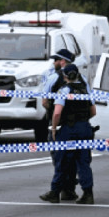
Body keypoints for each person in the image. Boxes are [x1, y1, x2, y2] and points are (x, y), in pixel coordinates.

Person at [40, 64, 96, 204]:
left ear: (65, 76)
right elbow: (93, 111)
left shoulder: (64, 90)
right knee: (83, 162)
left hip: (68, 129)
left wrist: (53, 129)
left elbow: (57, 112)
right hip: (84, 128)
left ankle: (55, 193)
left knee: (62, 161)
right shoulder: (85, 90)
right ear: (78, 75)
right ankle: (88, 194)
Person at [41, 48, 78, 200]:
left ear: (62, 62)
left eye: (56, 59)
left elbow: (44, 102)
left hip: (58, 124)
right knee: (73, 158)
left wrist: (55, 112)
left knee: (59, 158)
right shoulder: (81, 79)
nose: (54, 62)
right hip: (77, 125)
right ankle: (69, 189)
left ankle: (59, 190)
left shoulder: (53, 78)